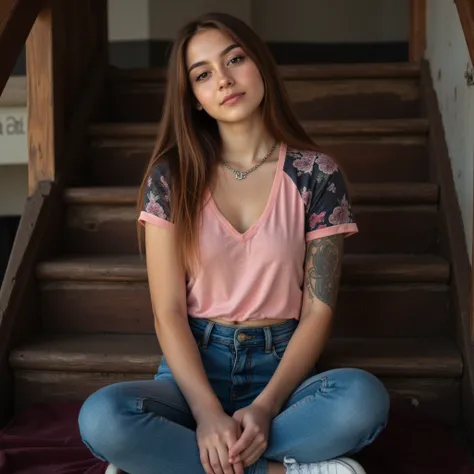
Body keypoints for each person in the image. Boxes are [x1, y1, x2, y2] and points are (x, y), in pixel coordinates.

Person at [78, 12, 390, 474]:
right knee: (103, 419)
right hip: (194, 369)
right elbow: (167, 311)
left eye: (235, 59)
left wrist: (265, 408)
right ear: (195, 99)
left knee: (363, 401)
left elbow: (318, 311)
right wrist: (205, 414)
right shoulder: (172, 179)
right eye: (203, 75)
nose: (223, 80)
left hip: (280, 370)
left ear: (259, 64)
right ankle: (282, 470)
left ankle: (167, 464)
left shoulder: (316, 175)